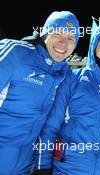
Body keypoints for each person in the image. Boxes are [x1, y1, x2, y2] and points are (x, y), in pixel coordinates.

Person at [33, 24, 100, 175]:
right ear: (93, 48)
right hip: (69, 169)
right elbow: (51, 126)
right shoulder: (72, 79)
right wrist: (42, 166)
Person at [0, 11, 80, 174]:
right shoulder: (16, 53)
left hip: (23, 166)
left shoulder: (63, 73)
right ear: (45, 34)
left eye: (71, 38)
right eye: (57, 34)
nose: (63, 44)